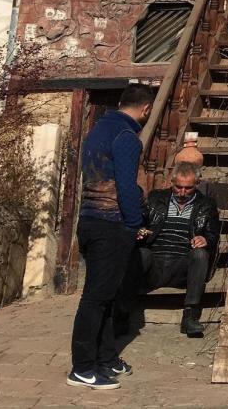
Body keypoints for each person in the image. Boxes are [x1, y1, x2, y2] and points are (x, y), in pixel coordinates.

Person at [68, 83, 152, 390]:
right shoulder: (127, 137)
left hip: (89, 219)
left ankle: (104, 358)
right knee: (95, 299)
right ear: (146, 109)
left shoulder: (98, 130)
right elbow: (127, 186)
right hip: (111, 224)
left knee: (106, 297)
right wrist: (133, 223)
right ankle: (82, 368)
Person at [136, 161, 220, 337]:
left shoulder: (206, 205)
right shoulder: (155, 199)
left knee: (199, 255)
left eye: (188, 188)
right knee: (140, 254)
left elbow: (213, 235)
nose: (182, 193)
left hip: (182, 266)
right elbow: (139, 222)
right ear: (172, 182)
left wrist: (205, 239)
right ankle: (122, 310)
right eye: (178, 187)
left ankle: (190, 316)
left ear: (197, 184)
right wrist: (141, 231)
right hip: (155, 263)